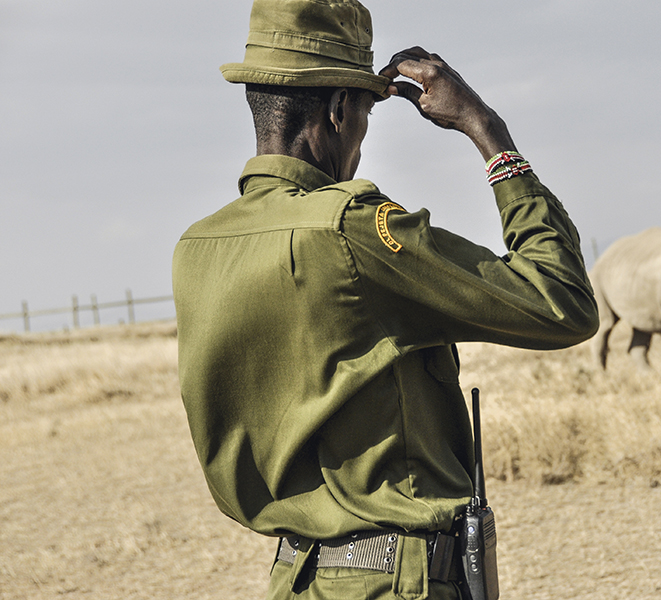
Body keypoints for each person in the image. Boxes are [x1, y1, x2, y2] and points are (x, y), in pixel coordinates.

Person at [172, 0, 599, 598]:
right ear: (340, 109)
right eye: (368, 110)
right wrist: (487, 130)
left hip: (293, 578)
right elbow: (562, 301)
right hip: (394, 582)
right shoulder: (350, 230)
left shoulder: (198, 247)